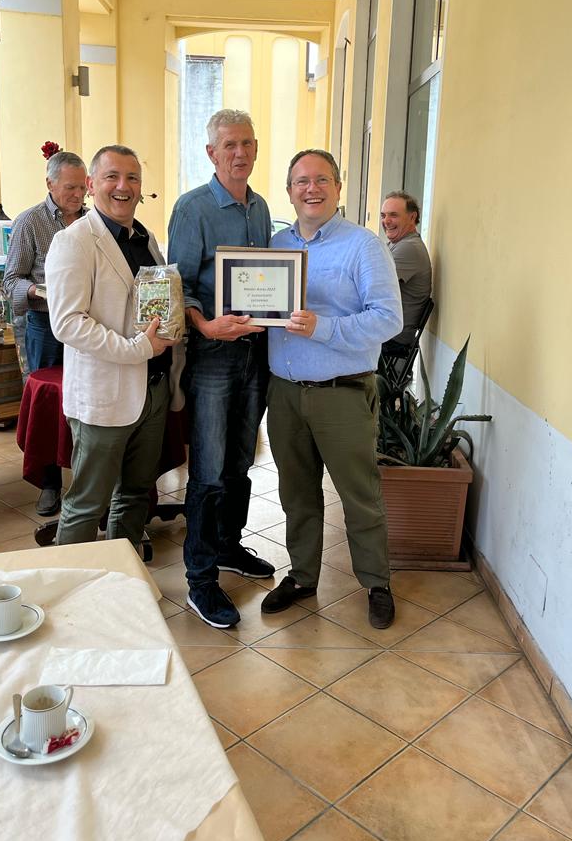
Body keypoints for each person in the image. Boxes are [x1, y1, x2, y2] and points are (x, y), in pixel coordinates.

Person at [261, 150, 402, 629]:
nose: (312, 189)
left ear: (338, 188)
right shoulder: (276, 245)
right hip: (284, 394)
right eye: (302, 181)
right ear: (289, 191)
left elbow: (388, 319)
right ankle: (303, 577)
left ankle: (376, 583)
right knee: (296, 494)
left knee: (359, 496)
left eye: (322, 180)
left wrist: (322, 327)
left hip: (341, 393)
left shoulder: (363, 246)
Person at [168, 109, 275, 629]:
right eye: (229, 144)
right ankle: (201, 579)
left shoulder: (261, 208)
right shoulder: (193, 209)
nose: (240, 153)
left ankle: (229, 546)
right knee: (208, 473)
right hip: (213, 357)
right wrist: (207, 327)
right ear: (211, 152)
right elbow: (179, 286)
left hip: (256, 355)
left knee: (239, 465)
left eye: (247, 143)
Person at [45, 145, 181, 548]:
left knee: (136, 494)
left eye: (132, 178)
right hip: (104, 395)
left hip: (152, 391)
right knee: (87, 504)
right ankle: (72, 580)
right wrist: (138, 349)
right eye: (112, 176)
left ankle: (124, 572)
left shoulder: (145, 238)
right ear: (91, 185)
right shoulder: (73, 241)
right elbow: (68, 323)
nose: (123, 186)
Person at [2, 150, 87, 516]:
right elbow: (10, 281)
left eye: (83, 187)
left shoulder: (93, 221)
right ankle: (50, 484)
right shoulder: (30, 222)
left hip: (87, 324)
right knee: (50, 406)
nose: (78, 195)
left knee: (87, 397)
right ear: (50, 184)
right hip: (46, 325)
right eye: (70, 187)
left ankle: (88, 480)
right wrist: (38, 291)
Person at [379, 191, 432, 353]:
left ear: (412, 217)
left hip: (394, 336)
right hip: (388, 329)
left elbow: (374, 285)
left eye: (393, 215)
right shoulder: (397, 244)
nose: (386, 221)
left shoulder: (409, 248)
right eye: (383, 215)